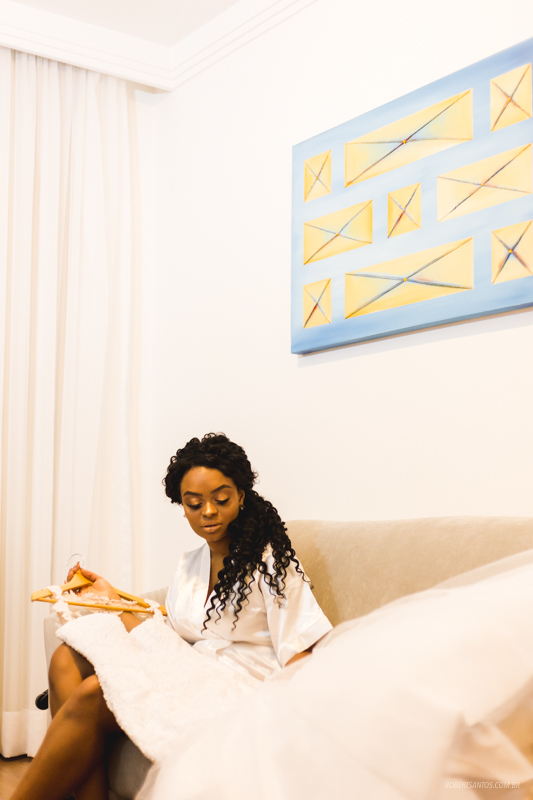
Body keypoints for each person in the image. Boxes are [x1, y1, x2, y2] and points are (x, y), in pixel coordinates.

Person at [11, 433, 332, 800]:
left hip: (240, 690)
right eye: (194, 503)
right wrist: (111, 598)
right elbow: (169, 640)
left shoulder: (271, 564)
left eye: (221, 499)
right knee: (66, 659)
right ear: (183, 506)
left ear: (242, 496)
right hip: (190, 675)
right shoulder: (189, 566)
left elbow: (301, 654)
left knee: (93, 692)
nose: (207, 512)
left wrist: (288, 725)